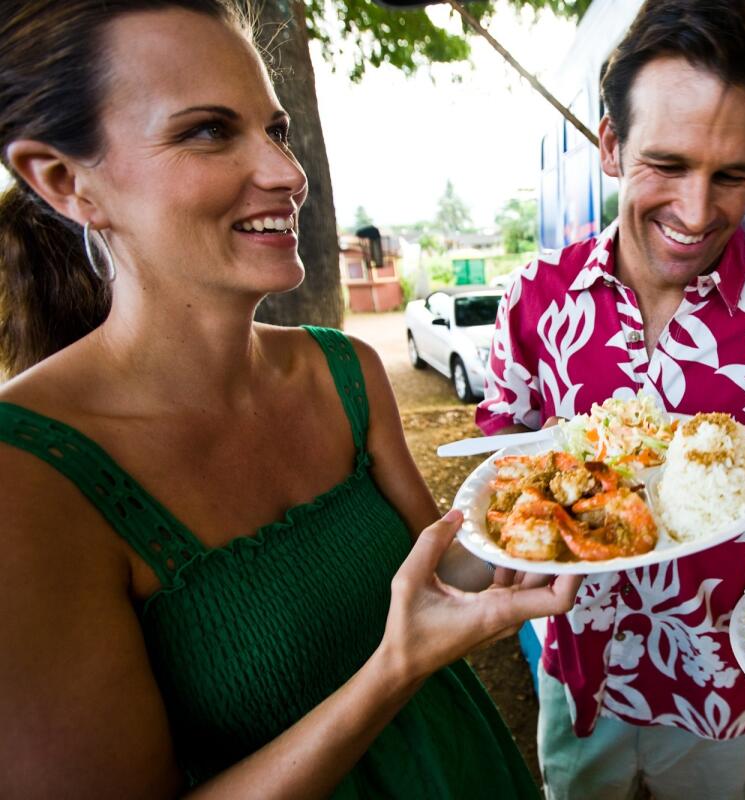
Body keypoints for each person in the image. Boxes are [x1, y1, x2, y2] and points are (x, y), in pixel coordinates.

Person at [0, 2, 581, 797]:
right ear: (67, 182)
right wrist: (393, 670)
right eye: (208, 130)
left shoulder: (345, 371)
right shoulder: (27, 479)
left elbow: (440, 569)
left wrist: (569, 488)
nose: (286, 172)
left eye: (274, 129)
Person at [476, 1, 745, 797]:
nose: (696, 213)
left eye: (731, 176)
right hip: (577, 669)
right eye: (668, 164)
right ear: (612, 146)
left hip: (721, 688)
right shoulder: (535, 297)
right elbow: (500, 456)